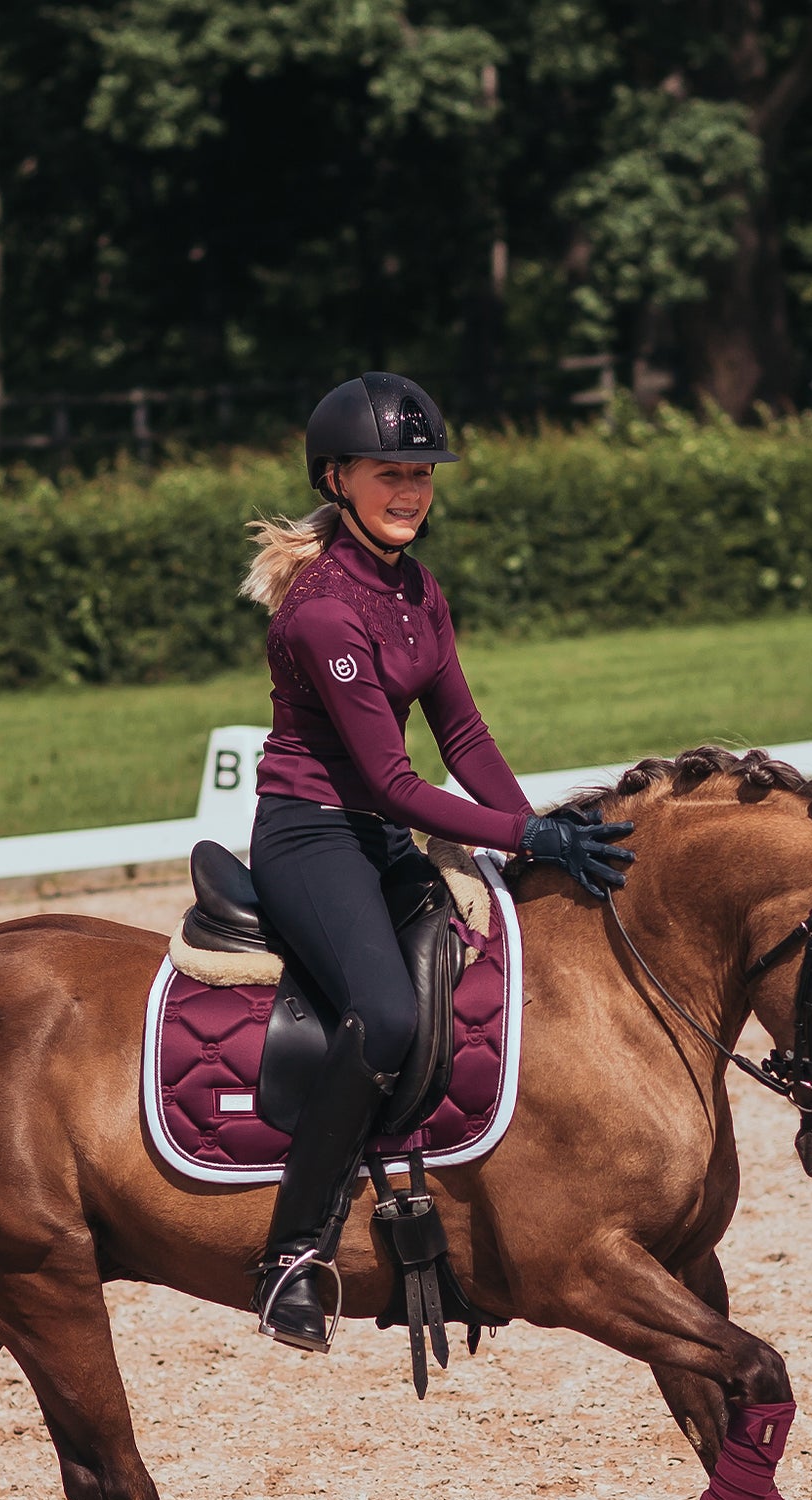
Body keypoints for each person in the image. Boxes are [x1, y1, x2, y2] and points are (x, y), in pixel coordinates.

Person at [240, 371, 635, 1351]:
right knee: (385, 1014)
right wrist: (524, 836)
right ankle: (290, 1254)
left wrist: (543, 834)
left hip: (378, 835)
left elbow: (463, 735)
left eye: (421, 473)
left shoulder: (417, 589)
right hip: (310, 832)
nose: (411, 491)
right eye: (390, 473)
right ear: (336, 478)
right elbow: (388, 780)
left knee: (494, 960)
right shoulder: (324, 611)